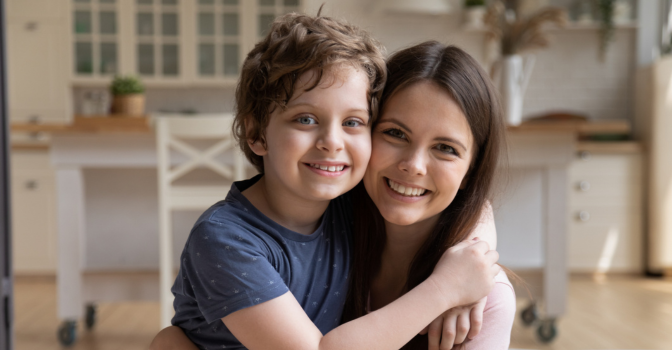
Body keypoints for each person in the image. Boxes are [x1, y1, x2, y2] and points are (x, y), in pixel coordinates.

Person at [154, 12, 501, 350]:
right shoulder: (225, 240)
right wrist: (445, 290)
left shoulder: (345, 203)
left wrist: (472, 260)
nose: (332, 142)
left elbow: (469, 202)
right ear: (257, 133)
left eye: (353, 122)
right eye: (305, 119)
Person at [342, 41, 516, 349]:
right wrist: (443, 290)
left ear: (470, 171)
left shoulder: (486, 301)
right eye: (395, 133)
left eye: (446, 149)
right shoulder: (317, 242)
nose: (413, 165)